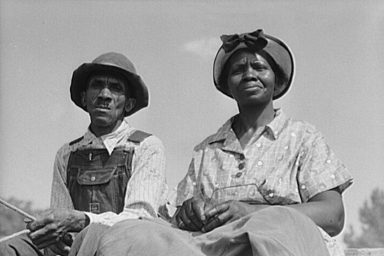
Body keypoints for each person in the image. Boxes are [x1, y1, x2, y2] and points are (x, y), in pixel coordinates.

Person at [88, 29, 353, 256]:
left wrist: (254, 213)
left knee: (279, 221)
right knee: (133, 233)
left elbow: (333, 214)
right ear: (228, 84)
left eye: (259, 67)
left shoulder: (303, 138)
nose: (249, 74)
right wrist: (188, 211)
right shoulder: (208, 150)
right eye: (239, 69)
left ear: (277, 80)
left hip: (281, 245)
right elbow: (175, 216)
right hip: (214, 247)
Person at [0, 52, 167, 256]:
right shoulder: (67, 154)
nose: (104, 95)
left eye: (115, 88)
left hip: (124, 248)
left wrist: (82, 221)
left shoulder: (146, 146)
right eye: (97, 85)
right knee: (10, 247)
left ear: (129, 104)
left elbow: (140, 219)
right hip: (76, 247)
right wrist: (54, 236)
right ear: (84, 98)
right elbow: (63, 218)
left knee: (95, 235)